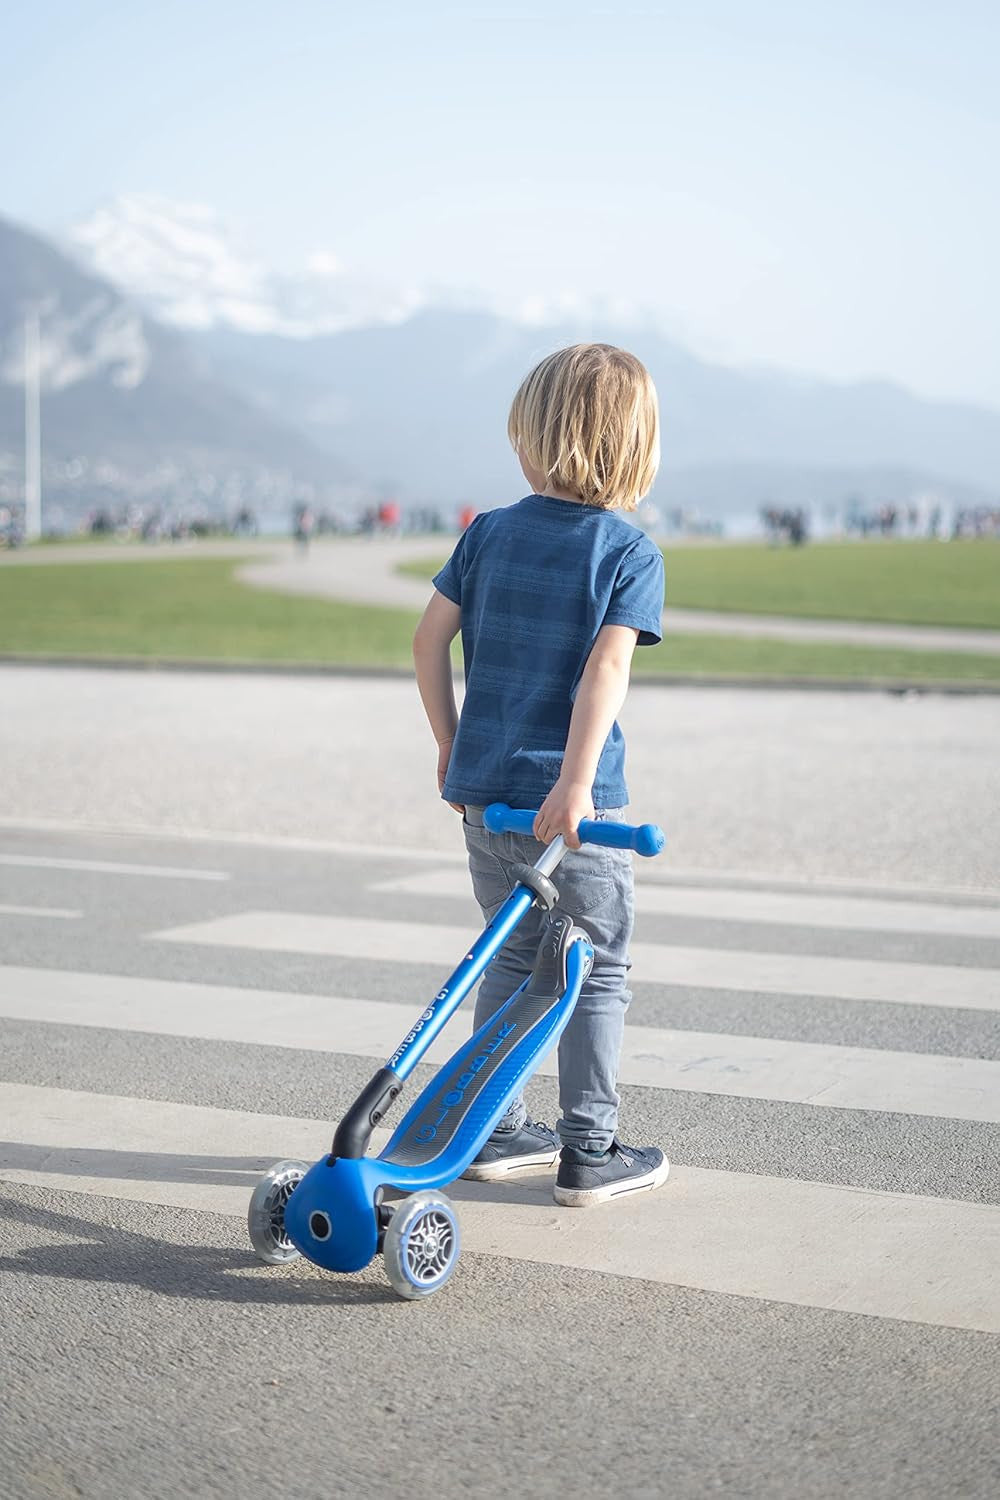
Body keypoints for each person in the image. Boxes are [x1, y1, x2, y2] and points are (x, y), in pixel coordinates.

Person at [412, 343, 668, 1207]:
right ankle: (588, 1151)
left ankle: (493, 1129)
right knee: (592, 967)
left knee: (514, 956)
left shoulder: (487, 532)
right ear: (633, 448)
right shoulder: (626, 550)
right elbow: (607, 672)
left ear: (532, 439)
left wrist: (450, 743)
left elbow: (426, 639)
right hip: (575, 811)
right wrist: (575, 784)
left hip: (485, 800)